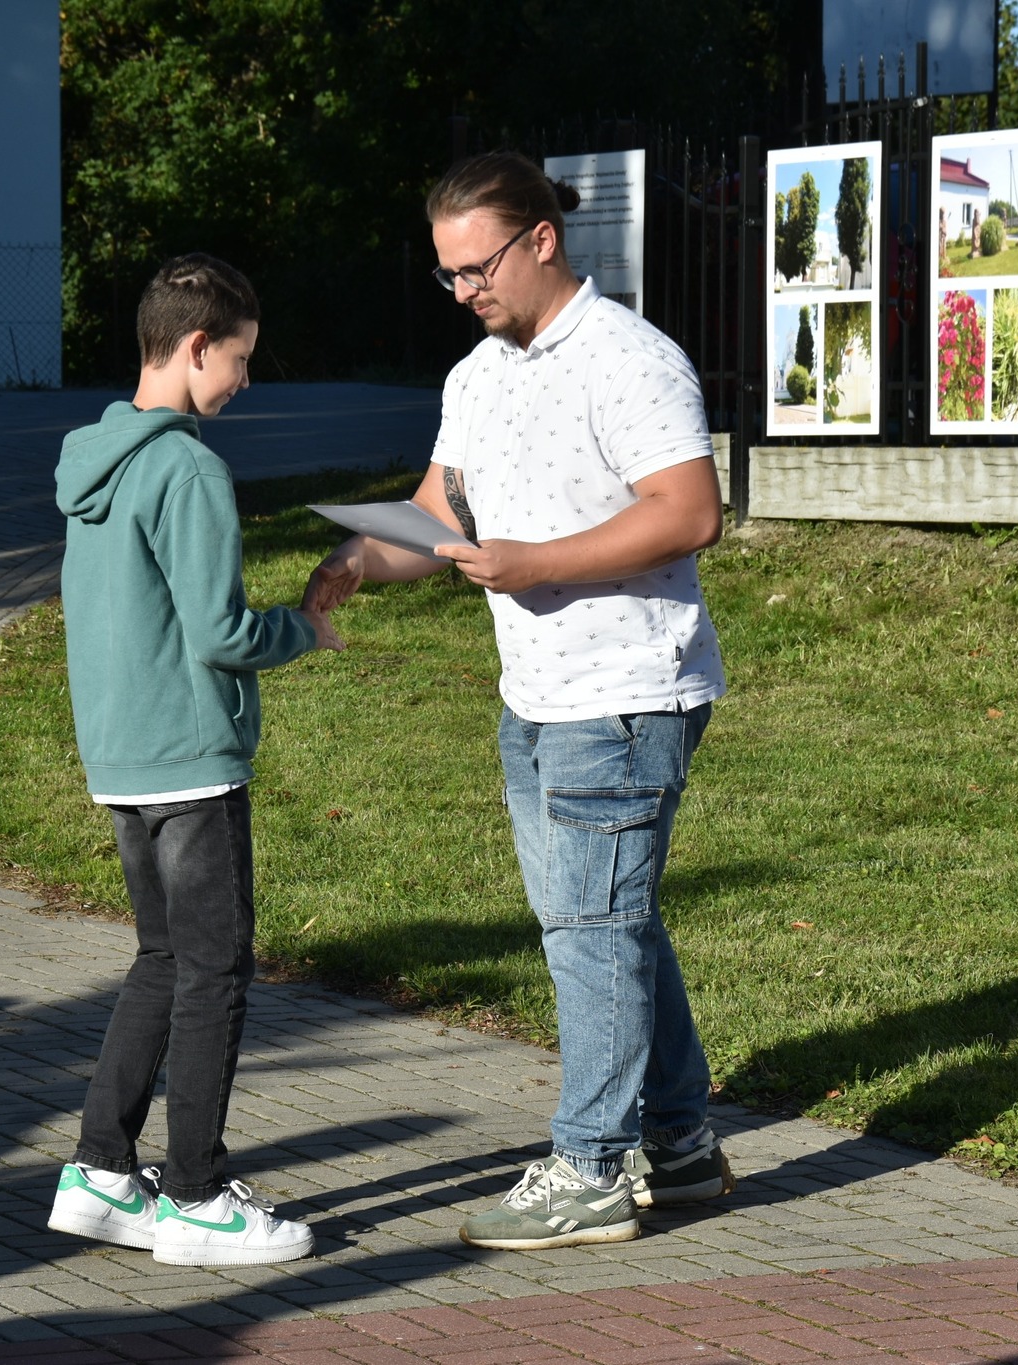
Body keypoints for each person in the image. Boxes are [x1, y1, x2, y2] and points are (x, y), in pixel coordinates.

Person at [311, 152, 734, 1250]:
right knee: (603, 923)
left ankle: (592, 1169)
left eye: (478, 267)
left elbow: (690, 511)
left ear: (542, 240)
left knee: (591, 932)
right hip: (534, 696)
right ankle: (680, 1144)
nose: (463, 290)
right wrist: (359, 559)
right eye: (447, 273)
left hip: (625, 693)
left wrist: (537, 563)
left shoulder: (630, 360)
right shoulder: (477, 375)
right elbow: (439, 514)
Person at [47, 253, 342, 1267]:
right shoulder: (188, 469)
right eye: (242, 360)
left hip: (120, 755)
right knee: (215, 971)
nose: (245, 382)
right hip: (190, 758)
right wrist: (303, 630)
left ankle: (99, 1172)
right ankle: (197, 1197)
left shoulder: (94, 460)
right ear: (197, 346)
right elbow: (219, 632)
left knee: (162, 960)